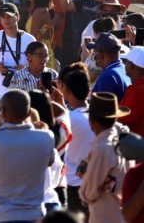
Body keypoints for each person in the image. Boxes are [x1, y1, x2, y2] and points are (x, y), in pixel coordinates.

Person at [0, 90, 55, 222]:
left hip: (0, 217)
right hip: (34, 216)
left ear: (2, 112)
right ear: (29, 112)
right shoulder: (47, 137)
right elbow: (50, 161)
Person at [80, 92, 131, 221]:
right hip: (118, 211)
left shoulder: (102, 148)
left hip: (105, 214)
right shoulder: (122, 138)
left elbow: (89, 192)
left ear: (92, 119)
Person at [0, 3, 37, 96]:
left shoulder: (30, 39)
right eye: (3, 16)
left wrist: (25, 69)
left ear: (17, 17)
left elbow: (37, 66)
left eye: (9, 16)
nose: (6, 20)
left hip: (25, 92)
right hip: (1, 92)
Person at [59, 65, 92, 217]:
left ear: (68, 91)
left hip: (74, 186)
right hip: (93, 183)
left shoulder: (71, 119)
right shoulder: (98, 115)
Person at [27, 0, 58, 69]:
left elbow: (32, 37)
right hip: (42, 53)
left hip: (38, 55)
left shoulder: (39, 12)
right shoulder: (42, 10)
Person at [93, 32, 132, 101]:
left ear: (101, 55)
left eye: (95, 52)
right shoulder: (125, 68)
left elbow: (105, 110)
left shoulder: (108, 77)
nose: (94, 55)